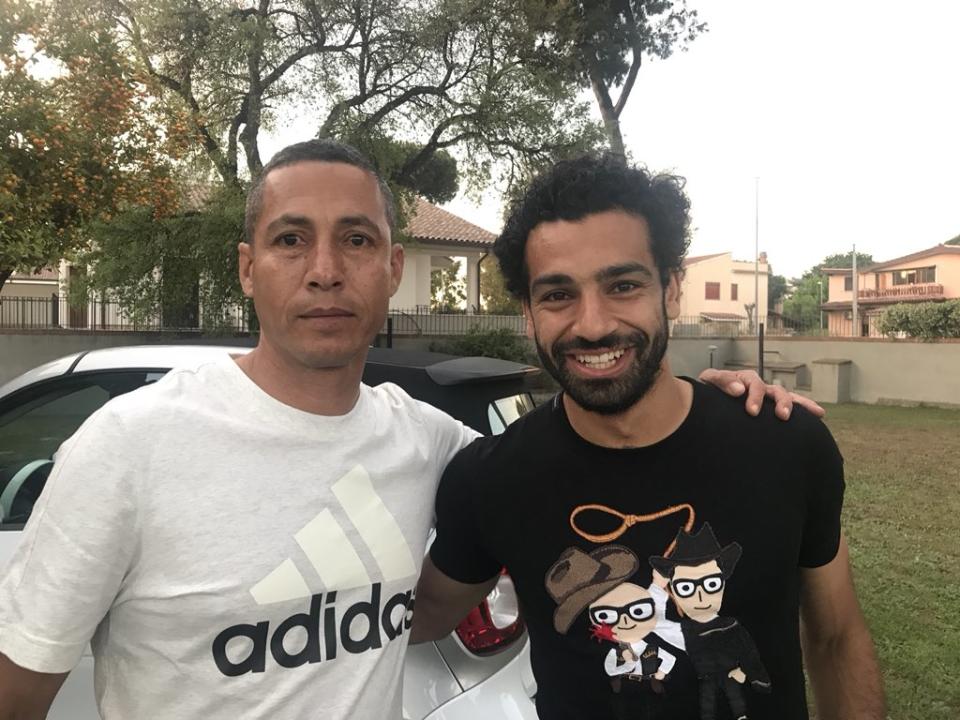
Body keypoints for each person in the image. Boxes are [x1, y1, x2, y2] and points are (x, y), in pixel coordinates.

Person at [0, 140, 807, 720]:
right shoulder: (127, 448)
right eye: (291, 240)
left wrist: (717, 397)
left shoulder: (435, 447)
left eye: (357, 239)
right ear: (248, 268)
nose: (325, 269)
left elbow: (581, 456)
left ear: (391, 267)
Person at [412, 154, 885, 720]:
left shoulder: (785, 446)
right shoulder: (490, 479)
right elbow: (409, 623)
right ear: (529, 312)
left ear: (672, 289)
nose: (592, 324)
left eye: (623, 284)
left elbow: (835, 641)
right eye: (558, 295)